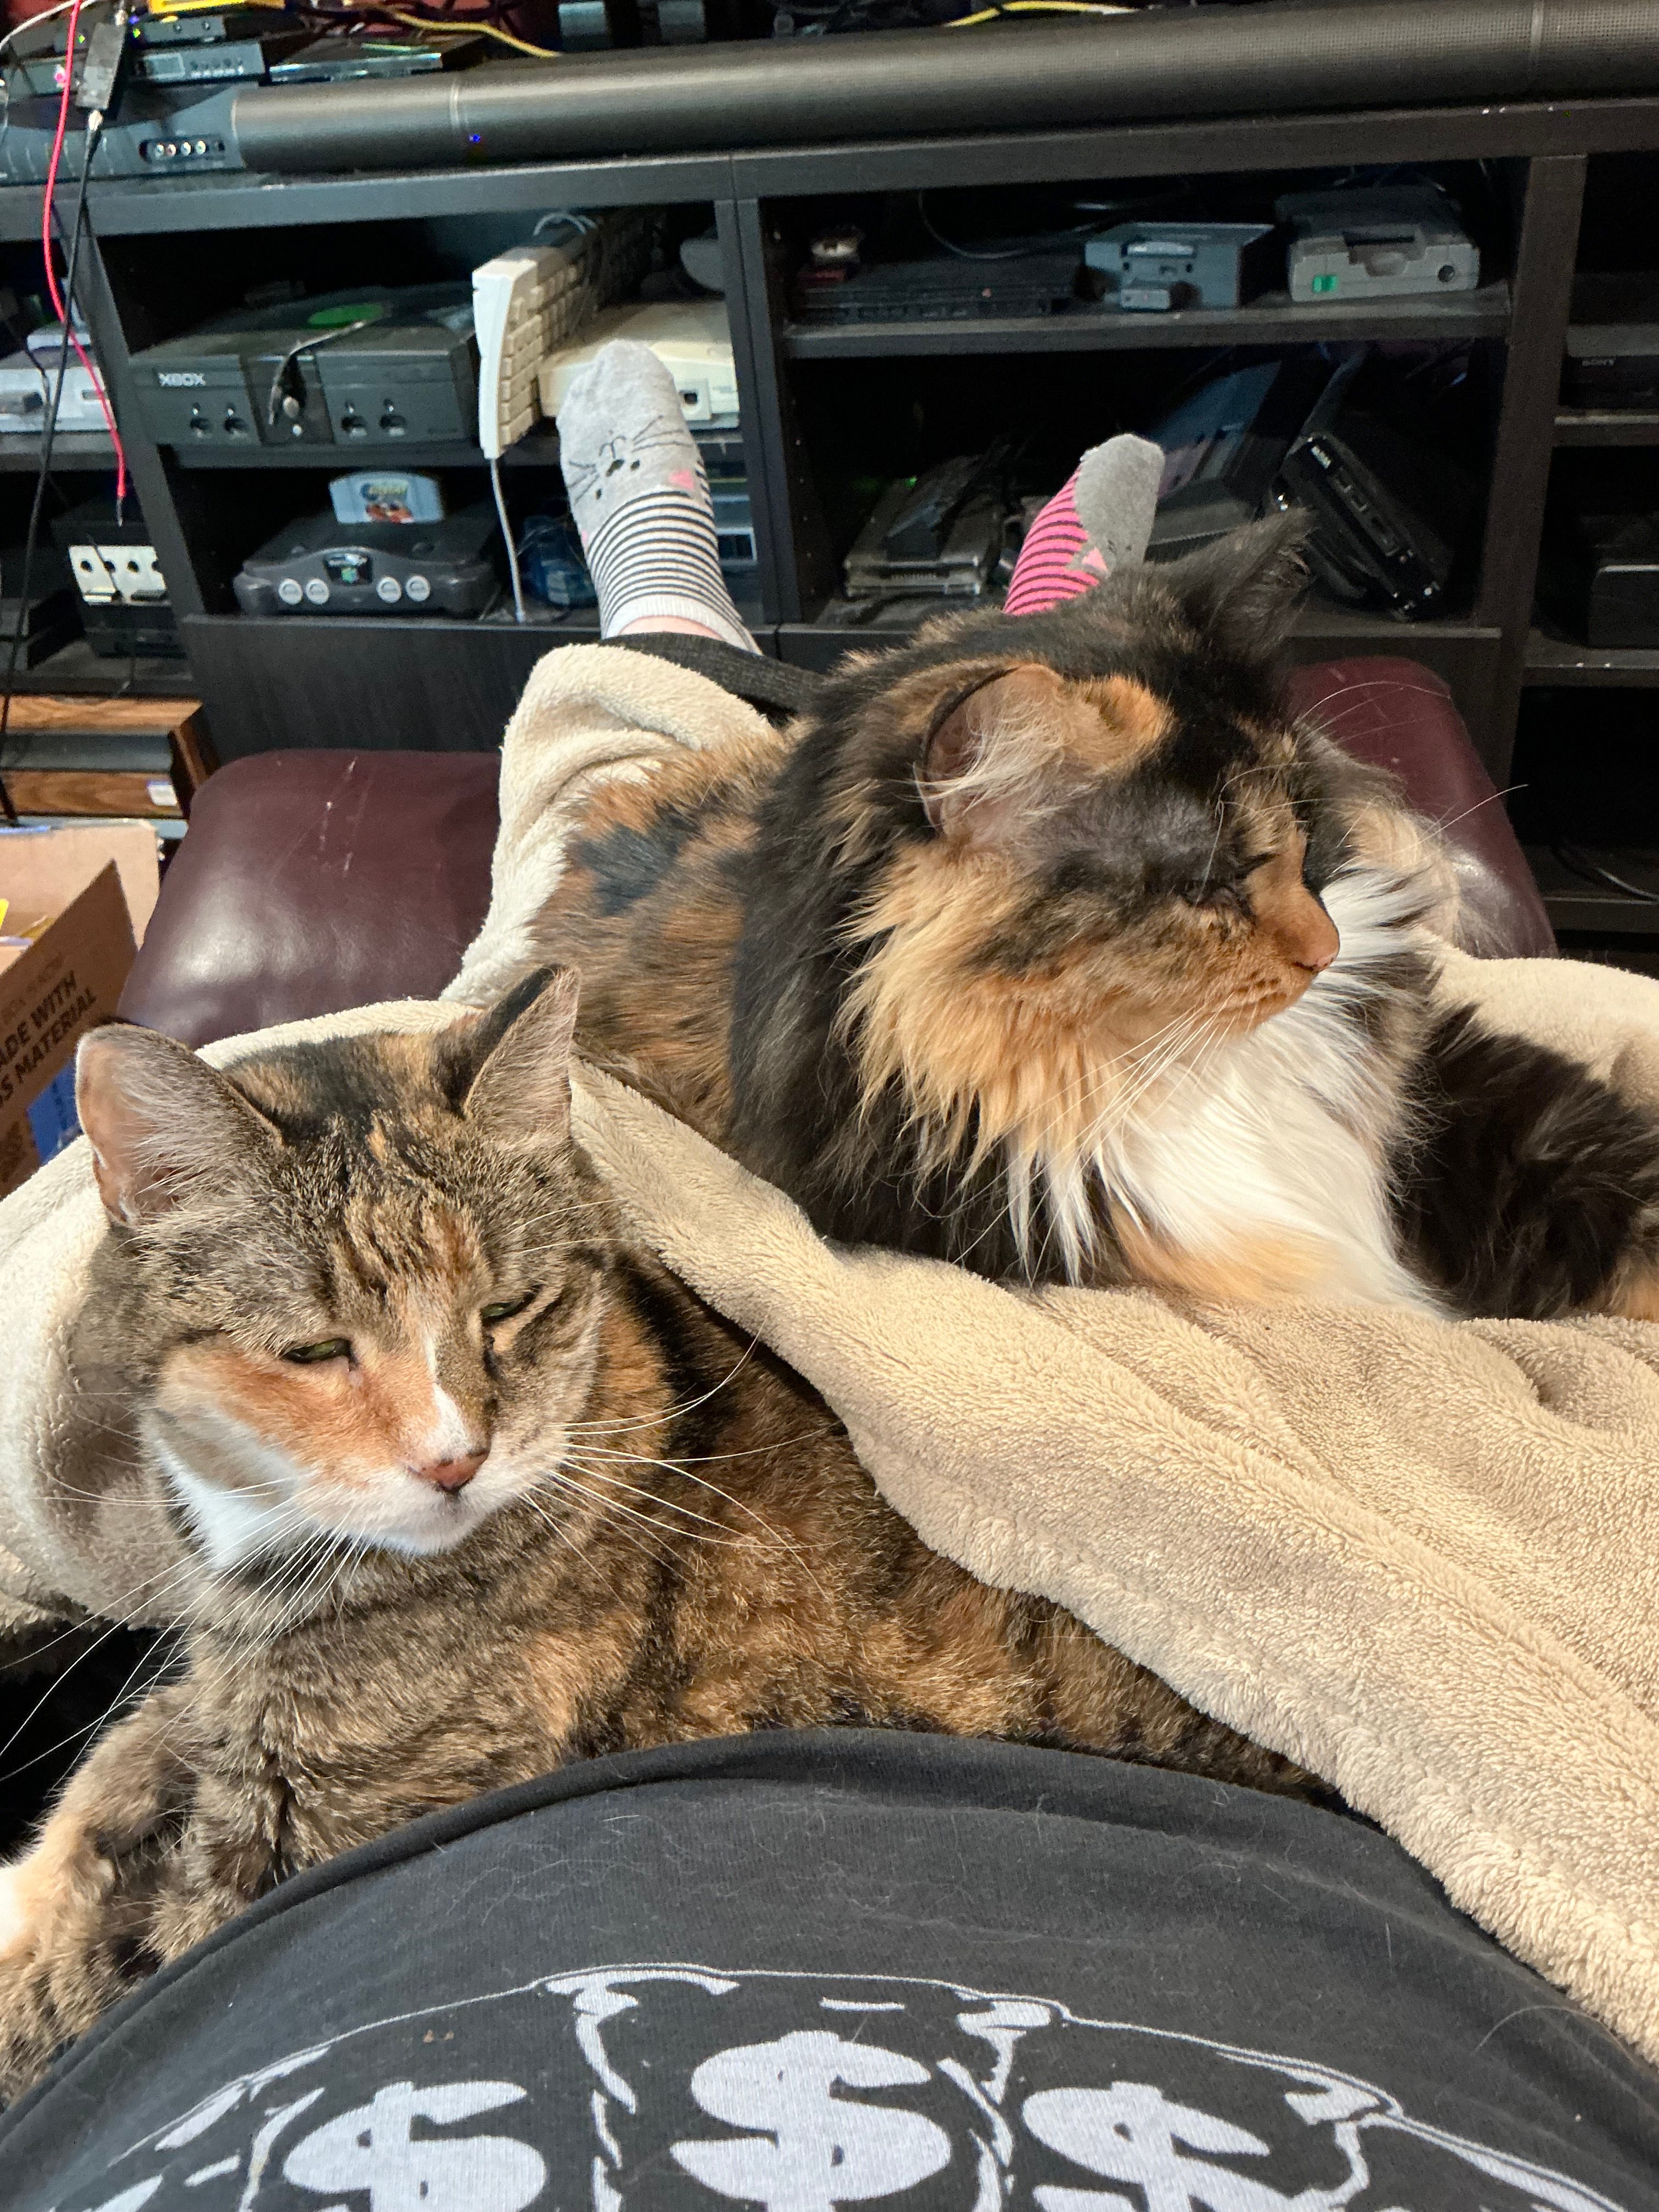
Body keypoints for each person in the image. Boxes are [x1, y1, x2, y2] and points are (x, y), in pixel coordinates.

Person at [2, 352, 1654, 2211]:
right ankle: (690, 597)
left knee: (541, 929)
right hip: (714, 1035)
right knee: (577, 871)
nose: (1303, 940)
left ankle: (978, 618)